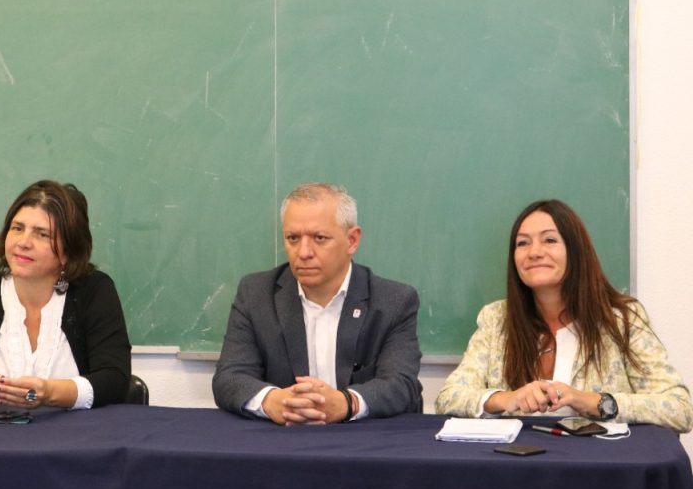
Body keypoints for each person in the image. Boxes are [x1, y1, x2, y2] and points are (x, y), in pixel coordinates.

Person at [435, 199, 693, 433]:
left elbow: (679, 408)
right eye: (522, 243)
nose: (534, 252)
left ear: (575, 250)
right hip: (515, 462)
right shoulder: (496, 318)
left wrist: (593, 402)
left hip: (598, 465)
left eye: (549, 240)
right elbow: (448, 397)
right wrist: (506, 399)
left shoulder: (622, 319)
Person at [212, 182, 423, 425]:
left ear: (352, 240)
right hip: (284, 436)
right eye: (293, 238)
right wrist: (272, 401)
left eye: (319, 238)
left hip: (366, 438)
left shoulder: (394, 301)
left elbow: (401, 384)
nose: (303, 252)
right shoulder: (256, 294)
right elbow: (230, 377)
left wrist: (346, 403)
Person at [0, 180, 131, 411]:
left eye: (42, 234)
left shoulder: (94, 291)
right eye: (17, 228)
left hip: (78, 431)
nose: (23, 242)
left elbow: (115, 380)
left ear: (69, 250)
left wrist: (50, 393)